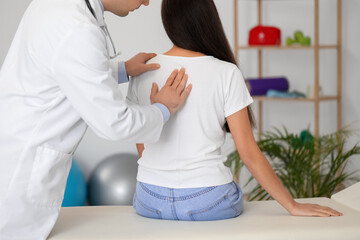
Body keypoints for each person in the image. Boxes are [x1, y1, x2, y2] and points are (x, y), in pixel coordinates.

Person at [126, 0, 343, 221]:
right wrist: (292, 205)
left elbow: (141, 141)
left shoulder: (142, 70)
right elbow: (248, 153)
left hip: (149, 199)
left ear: (168, 21)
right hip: (206, 200)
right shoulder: (226, 73)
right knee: (236, 194)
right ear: (209, 20)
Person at [0, 0, 192, 239]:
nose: (146, 1)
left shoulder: (53, 6)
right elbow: (115, 123)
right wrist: (164, 109)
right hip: (19, 175)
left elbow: (61, 66)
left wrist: (123, 69)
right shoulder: (77, 28)